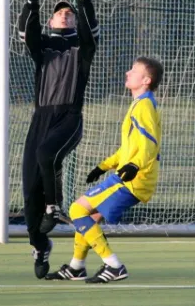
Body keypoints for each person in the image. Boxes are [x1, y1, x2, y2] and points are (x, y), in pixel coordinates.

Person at [45, 57, 164, 283]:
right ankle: (76, 267)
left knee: (76, 211)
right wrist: (104, 166)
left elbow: (150, 144)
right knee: (89, 217)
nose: (128, 72)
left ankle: (114, 265)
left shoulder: (145, 106)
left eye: (134, 70)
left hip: (133, 179)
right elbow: (130, 148)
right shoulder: (139, 104)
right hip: (131, 175)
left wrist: (133, 166)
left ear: (146, 80)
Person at [17, 0, 99, 279]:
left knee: (46, 155)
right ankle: (40, 245)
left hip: (69, 116)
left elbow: (92, 34)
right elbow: (27, 33)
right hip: (41, 119)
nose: (64, 15)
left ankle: (55, 207)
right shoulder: (44, 47)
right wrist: (31, 1)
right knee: (28, 196)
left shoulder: (82, 48)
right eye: (59, 12)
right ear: (51, 20)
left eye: (68, 13)